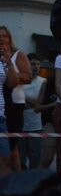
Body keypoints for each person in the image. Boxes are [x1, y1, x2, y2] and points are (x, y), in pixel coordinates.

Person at [0, 26, 32, 171]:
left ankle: (16, 179)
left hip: (14, 104)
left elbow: (28, 76)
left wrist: (9, 72)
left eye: (4, 36)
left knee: (12, 147)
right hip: (3, 104)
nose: (1, 39)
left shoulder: (17, 55)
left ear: (10, 38)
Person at [20, 53, 48, 169]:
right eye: (32, 64)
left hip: (37, 126)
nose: (36, 67)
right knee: (20, 159)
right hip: (21, 126)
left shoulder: (43, 82)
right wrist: (34, 103)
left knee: (35, 158)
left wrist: (26, 100)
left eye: (38, 64)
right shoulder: (20, 81)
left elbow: (42, 102)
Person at [0, 31, 21, 176]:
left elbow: (13, 83)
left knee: (5, 158)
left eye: (4, 37)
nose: (1, 40)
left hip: (0, 116)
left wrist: (9, 62)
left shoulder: (3, 62)